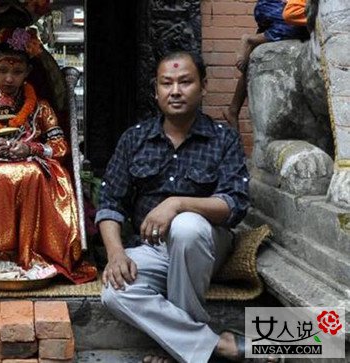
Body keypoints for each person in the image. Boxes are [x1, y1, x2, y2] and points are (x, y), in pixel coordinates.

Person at [98, 51, 258, 362]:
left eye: (185, 82)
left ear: (203, 87)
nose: (175, 91)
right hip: (152, 249)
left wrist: (177, 203)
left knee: (185, 226)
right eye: (166, 83)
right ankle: (211, 344)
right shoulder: (135, 139)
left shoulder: (222, 138)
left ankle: (177, 348)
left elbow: (235, 204)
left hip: (207, 244)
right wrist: (116, 254)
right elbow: (109, 203)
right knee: (113, 292)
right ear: (155, 90)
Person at [0, 27, 96, 283]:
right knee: (3, 174)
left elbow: (60, 147)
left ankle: (33, 254)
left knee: (31, 172)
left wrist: (32, 149)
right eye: (3, 71)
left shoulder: (41, 108)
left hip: (37, 170)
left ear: (27, 72)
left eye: (16, 72)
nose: (8, 78)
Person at [223, 0, 307, 128]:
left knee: (251, 61)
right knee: (296, 28)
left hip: (281, 9)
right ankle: (250, 39)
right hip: (273, 5)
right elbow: (291, 13)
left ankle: (233, 110)